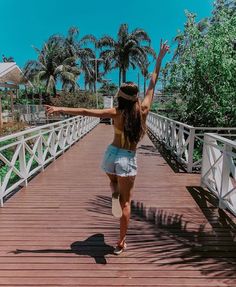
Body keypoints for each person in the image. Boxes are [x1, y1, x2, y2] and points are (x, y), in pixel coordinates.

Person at [45, 40, 169, 255]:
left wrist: (59, 108)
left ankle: (113, 191)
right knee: (126, 203)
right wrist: (159, 58)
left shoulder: (115, 112)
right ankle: (121, 242)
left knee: (113, 181)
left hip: (111, 155)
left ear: (120, 98)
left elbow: (85, 110)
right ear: (136, 98)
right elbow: (152, 81)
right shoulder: (144, 110)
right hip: (127, 158)